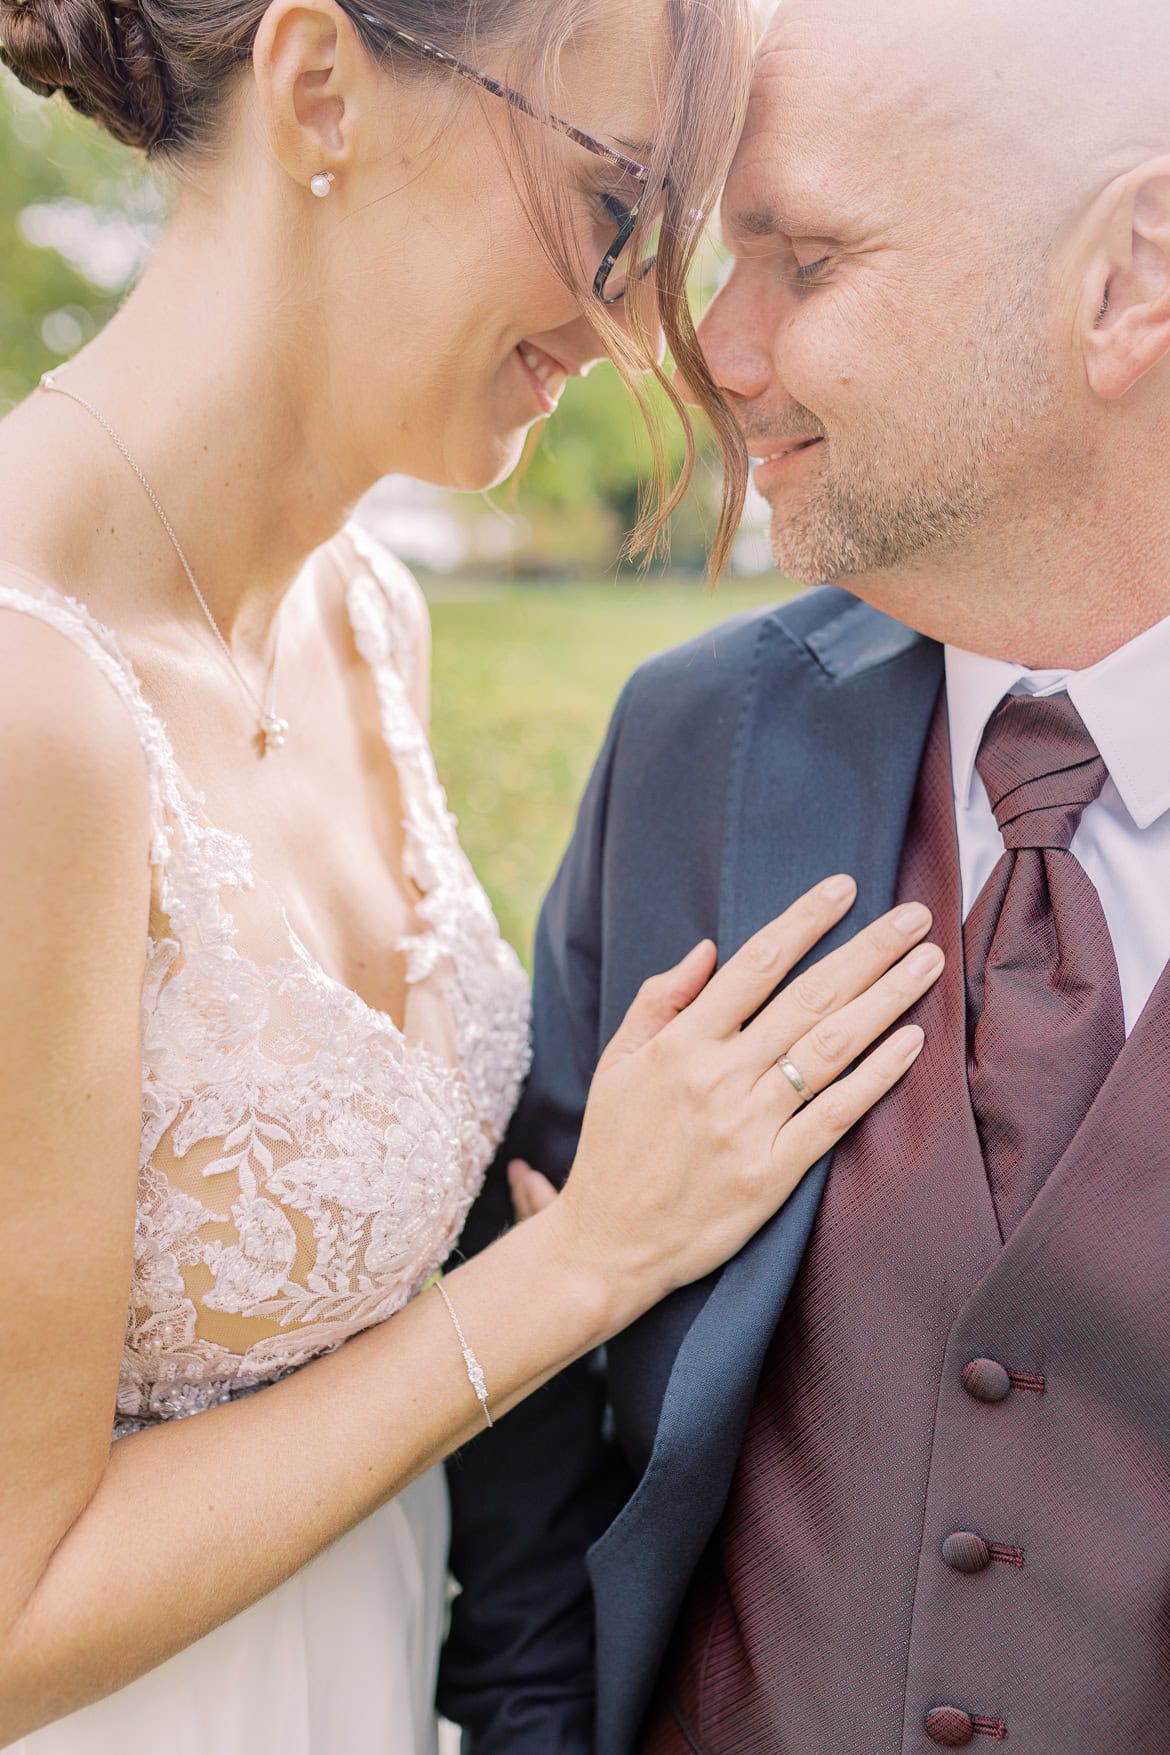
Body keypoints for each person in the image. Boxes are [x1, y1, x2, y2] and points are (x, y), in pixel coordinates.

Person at [0, 0, 952, 1749]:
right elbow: (11, 1609)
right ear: (318, 91)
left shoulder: (368, 618)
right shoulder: (27, 711)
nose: (637, 327)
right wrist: (576, 1267)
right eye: (610, 207)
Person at [440, 0, 1170, 1750]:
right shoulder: (699, 743)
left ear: (1127, 279)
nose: (711, 348)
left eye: (804, 260)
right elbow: (538, 1441)